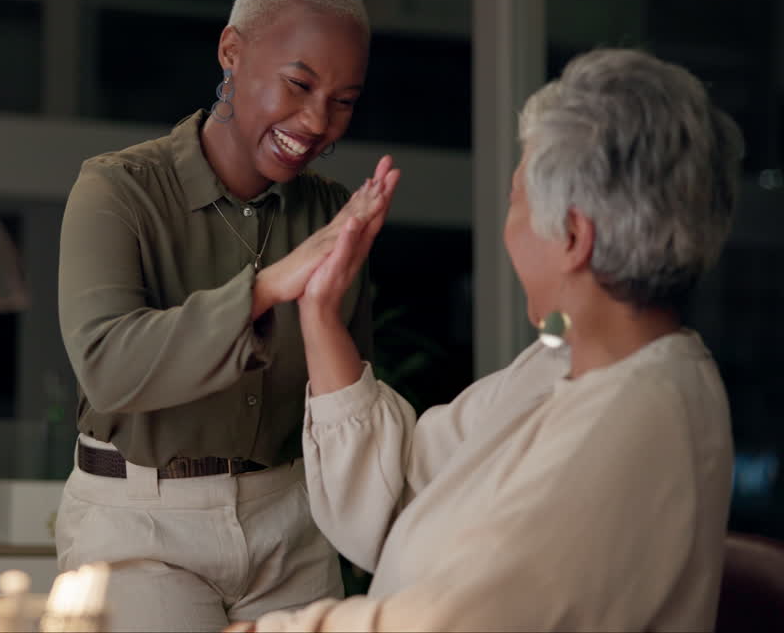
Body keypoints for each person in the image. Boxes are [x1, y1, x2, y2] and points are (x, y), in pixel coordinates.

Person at [242, 48, 742, 632]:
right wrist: (322, 313)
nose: (509, 230)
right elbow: (403, 488)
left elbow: (459, 622)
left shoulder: (644, 415)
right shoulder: (565, 354)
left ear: (574, 236)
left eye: (516, 201)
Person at [54, 0, 402, 631]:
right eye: (298, 84)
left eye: (343, 102)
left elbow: (341, 408)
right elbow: (111, 367)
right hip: (138, 531)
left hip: (292, 530)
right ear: (232, 52)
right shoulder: (117, 190)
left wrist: (323, 308)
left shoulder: (334, 215)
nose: (316, 121)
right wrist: (272, 286)